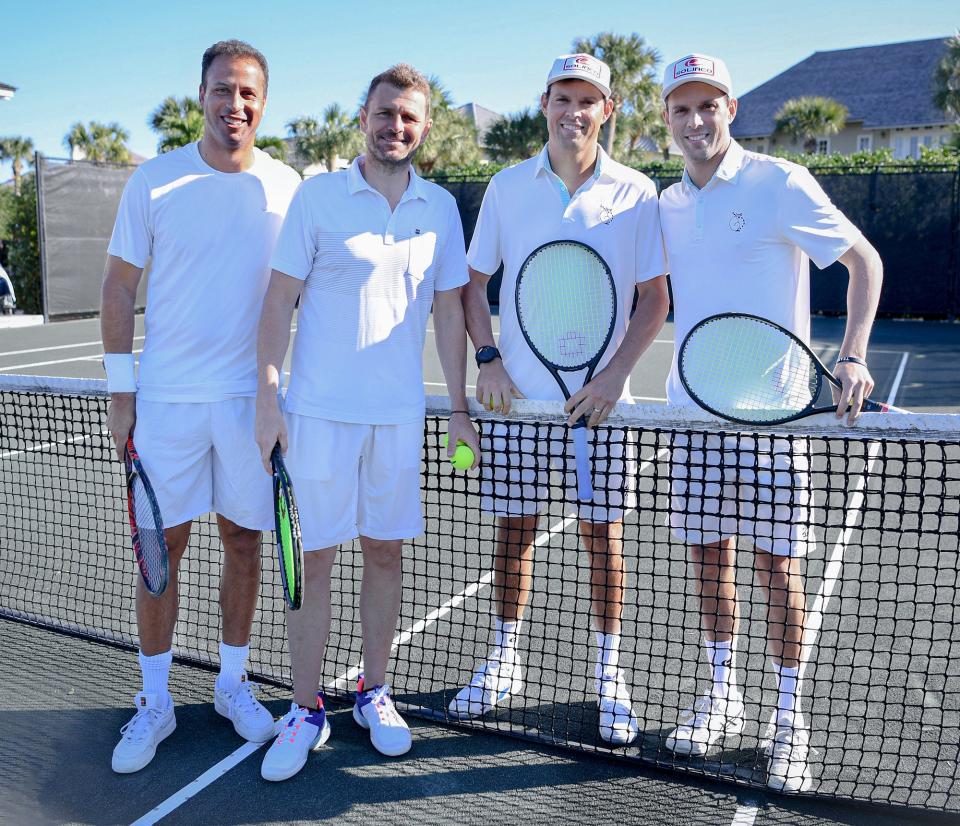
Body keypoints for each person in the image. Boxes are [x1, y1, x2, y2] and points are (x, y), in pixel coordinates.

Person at [657, 53, 883, 792]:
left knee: (777, 572)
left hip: (774, 425)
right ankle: (723, 695)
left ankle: (789, 721)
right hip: (694, 419)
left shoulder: (779, 181)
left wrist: (850, 357)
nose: (697, 122)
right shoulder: (667, 203)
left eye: (708, 106)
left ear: (731, 109)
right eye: (682, 109)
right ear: (667, 118)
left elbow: (864, 263)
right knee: (708, 564)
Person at [255, 62, 479, 781]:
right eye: (385, 114)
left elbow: (449, 312)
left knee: (385, 554)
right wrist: (268, 396)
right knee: (313, 562)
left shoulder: (440, 207)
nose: (396, 127)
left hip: (397, 419)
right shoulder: (318, 197)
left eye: (409, 118)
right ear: (364, 117)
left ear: (424, 127)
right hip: (316, 414)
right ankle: (304, 708)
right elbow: (277, 302)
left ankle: (373, 692)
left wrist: (460, 407)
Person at [454, 53, 669, 746]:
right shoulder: (506, 187)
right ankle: (503, 659)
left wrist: (612, 377)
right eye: (563, 97)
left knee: (603, 538)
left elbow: (654, 299)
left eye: (588, 100)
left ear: (606, 110)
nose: (574, 110)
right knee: (512, 534)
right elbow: (472, 283)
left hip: (603, 409)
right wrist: (487, 359)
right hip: (519, 404)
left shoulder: (639, 192)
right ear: (543, 102)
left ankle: (609, 675)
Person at [101, 39, 302, 774]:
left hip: (251, 408)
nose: (236, 105)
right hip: (167, 406)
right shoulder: (153, 182)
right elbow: (119, 288)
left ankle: (230, 684)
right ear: (203, 95)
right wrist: (122, 392)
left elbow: (301, 290)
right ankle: (155, 702)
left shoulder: (288, 185)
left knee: (245, 546)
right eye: (224, 90)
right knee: (161, 555)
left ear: (263, 102)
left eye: (249, 93)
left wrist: (285, 396)